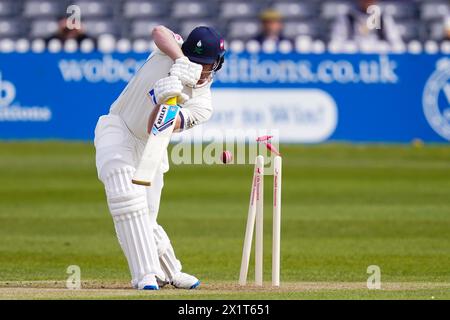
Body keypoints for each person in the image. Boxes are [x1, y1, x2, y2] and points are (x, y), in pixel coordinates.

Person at [94, 26, 225, 290]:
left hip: (151, 145)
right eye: (195, 62)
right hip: (118, 129)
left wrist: (167, 100)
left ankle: (170, 271)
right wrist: (180, 61)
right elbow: (158, 31)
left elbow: (155, 127)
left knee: (145, 218)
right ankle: (145, 276)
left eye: (205, 66)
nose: (199, 71)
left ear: (216, 65)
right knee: (126, 202)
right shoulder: (169, 52)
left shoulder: (202, 104)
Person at [330, 0, 403, 45]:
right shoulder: (347, 16)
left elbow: (396, 42)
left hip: (379, 60)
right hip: (353, 60)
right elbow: (336, 43)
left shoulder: (382, 16)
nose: (368, 1)